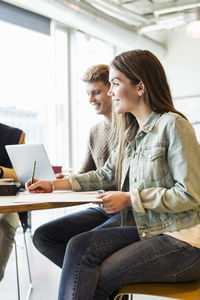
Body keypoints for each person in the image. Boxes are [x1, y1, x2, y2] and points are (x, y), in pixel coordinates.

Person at [27, 49, 200, 300]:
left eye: (115, 84)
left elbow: (190, 195)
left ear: (140, 87)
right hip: (149, 227)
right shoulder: (131, 133)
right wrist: (56, 184)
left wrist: (130, 198)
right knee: (78, 249)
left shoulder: (173, 125)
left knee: (97, 275)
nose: (109, 92)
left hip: (183, 240)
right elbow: (106, 174)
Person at [32, 64, 122, 269]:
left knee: (79, 246)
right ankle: (98, 282)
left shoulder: (131, 125)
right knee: (43, 236)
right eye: (88, 94)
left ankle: (97, 284)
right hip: (103, 208)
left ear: (111, 90)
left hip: (127, 209)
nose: (91, 99)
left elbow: (109, 175)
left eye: (96, 92)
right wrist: (62, 181)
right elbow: (86, 174)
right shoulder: (95, 132)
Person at [0, 123, 25, 281]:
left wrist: (1, 171)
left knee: (5, 224)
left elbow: (23, 173)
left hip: (7, 205)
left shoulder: (14, 135)